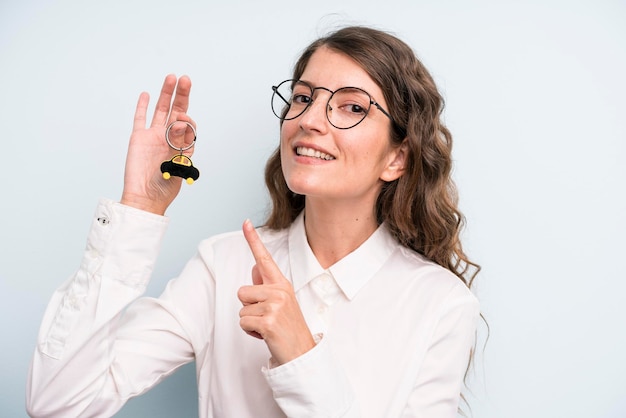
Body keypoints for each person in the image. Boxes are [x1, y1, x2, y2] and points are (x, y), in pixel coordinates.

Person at [26, 25, 480, 417]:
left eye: (351, 107)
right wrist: (138, 207)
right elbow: (58, 401)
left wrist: (301, 355)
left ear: (397, 158)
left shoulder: (440, 305)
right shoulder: (222, 265)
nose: (309, 120)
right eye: (303, 97)